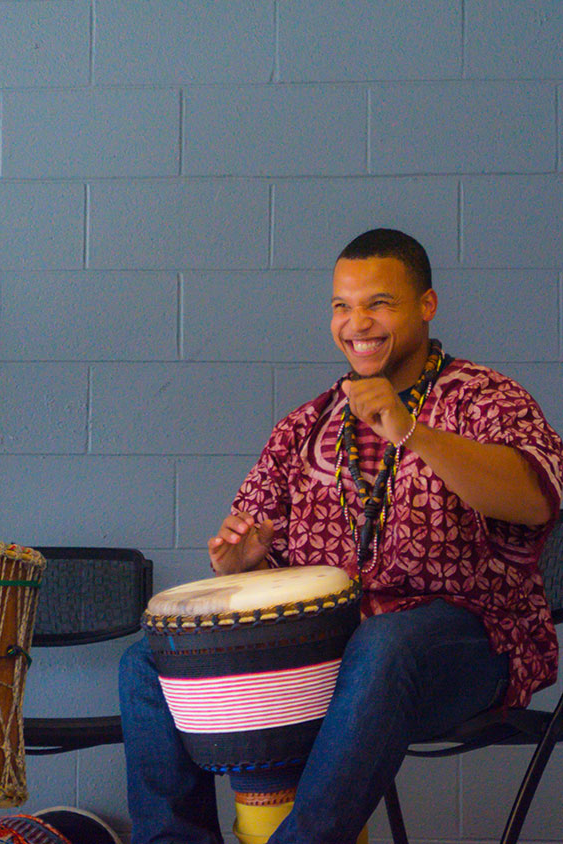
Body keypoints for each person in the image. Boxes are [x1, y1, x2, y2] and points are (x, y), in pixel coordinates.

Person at [119, 228, 563, 843]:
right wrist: (242, 566)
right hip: (334, 647)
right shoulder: (306, 424)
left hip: (467, 640)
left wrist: (412, 431)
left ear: (426, 306)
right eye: (342, 306)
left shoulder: (487, 399)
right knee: (150, 660)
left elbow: (535, 499)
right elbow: (257, 552)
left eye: (379, 303)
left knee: (385, 646)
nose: (358, 322)